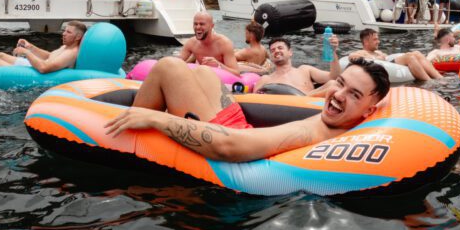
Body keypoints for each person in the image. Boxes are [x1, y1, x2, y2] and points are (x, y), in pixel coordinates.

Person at [104, 57, 391, 162]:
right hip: (237, 122)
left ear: (368, 110)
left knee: (168, 67)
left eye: (353, 94)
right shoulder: (338, 116)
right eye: (339, 83)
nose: (338, 95)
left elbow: (229, 147)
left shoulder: (312, 132)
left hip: (228, 133)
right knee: (204, 73)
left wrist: (157, 118)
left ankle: (124, 138)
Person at [0, 20, 86, 72]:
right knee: (1, 55)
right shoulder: (65, 47)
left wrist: (26, 53)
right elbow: (49, 56)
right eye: (64, 31)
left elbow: (44, 68)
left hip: (35, 71)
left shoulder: (71, 53)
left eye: (68, 32)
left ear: (78, 37)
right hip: (33, 66)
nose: (63, 34)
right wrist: (31, 47)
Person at [253, 36, 341, 95]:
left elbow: (334, 77)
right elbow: (253, 102)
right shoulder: (266, 79)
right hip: (278, 111)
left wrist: (332, 52)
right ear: (271, 57)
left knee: (332, 84)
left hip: (306, 106)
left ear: (290, 52)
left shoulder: (305, 70)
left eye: (280, 48)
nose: (276, 51)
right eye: (272, 50)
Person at [349, 28, 443, 81]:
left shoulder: (379, 52)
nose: (378, 41)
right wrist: (373, 57)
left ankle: (440, 78)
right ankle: (429, 81)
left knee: (416, 53)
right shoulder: (361, 53)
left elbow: (389, 57)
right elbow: (351, 57)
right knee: (410, 57)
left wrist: (379, 56)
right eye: (375, 39)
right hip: (385, 66)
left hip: (389, 63)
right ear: (366, 42)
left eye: (378, 39)